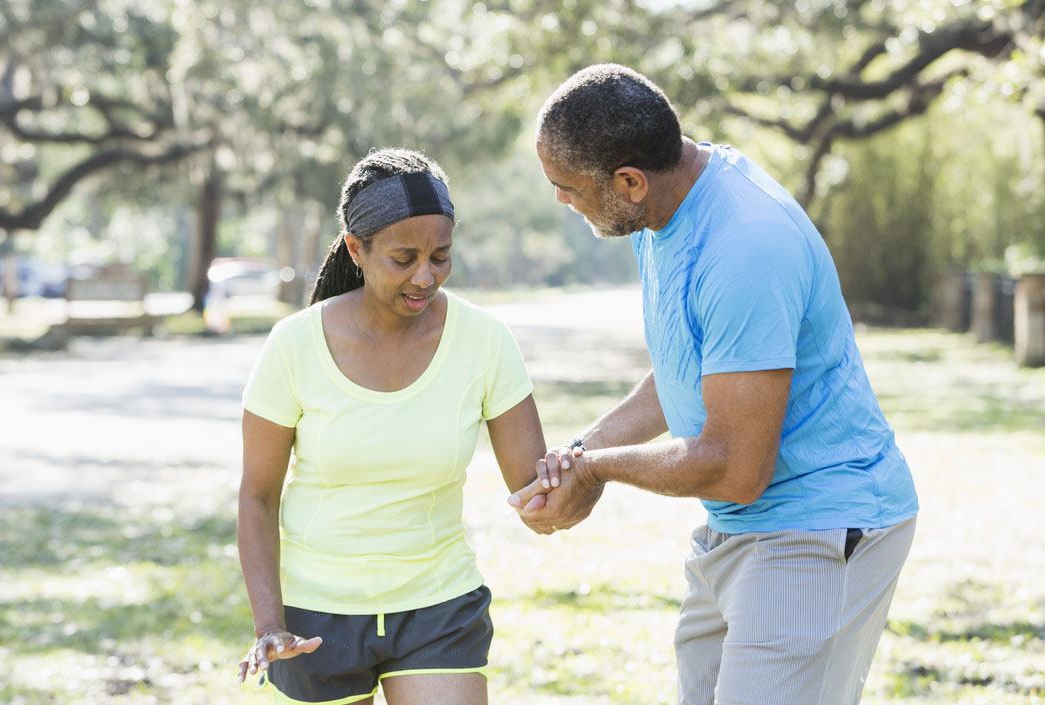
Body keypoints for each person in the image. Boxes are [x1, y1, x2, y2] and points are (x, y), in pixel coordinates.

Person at [509, 64, 920, 705]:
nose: (561, 200)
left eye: (566, 187)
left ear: (629, 180)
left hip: (818, 522)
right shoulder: (658, 214)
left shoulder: (745, 245)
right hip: (739, 527)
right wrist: (577, 456)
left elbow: (735, 467)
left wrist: (597, 473)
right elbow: (685, 372)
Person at [236, 147, 546, 705]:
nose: (425, 276)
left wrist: (581, 471)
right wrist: (269, 625)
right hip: (314, 618)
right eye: (404, 258)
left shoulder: (484, 341)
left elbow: (536, 491)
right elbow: (258, 497)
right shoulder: (294, 346)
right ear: (357, 248)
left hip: (438, 605)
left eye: (441, 256)